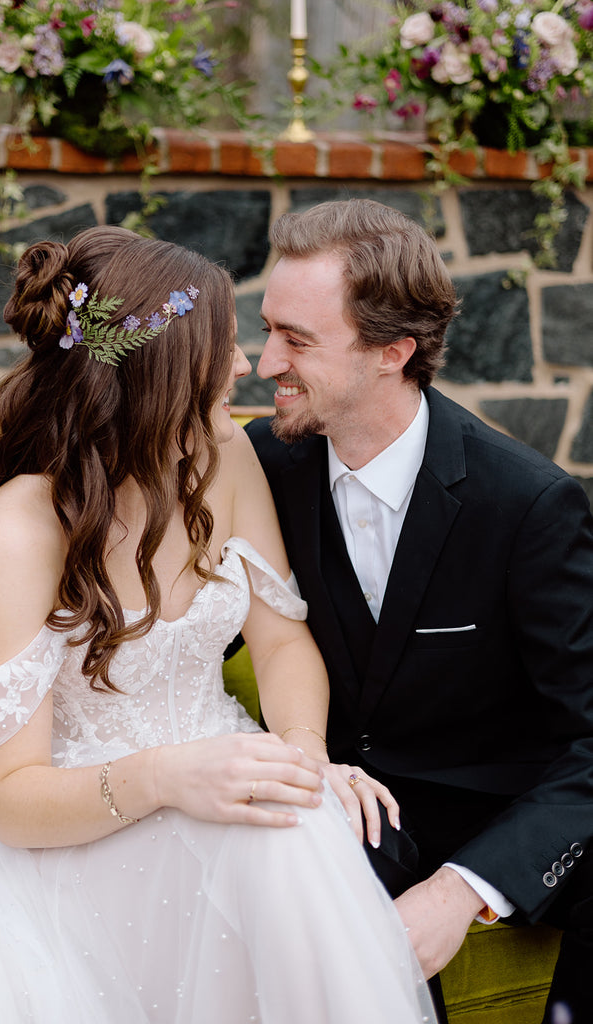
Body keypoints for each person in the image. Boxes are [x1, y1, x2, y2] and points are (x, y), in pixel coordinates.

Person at [0, 226, 436, 1024]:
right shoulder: (19, 531)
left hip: (226, 776)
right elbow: (12, 800)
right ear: (154, 374)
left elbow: (282, 637)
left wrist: (302, 755)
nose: (245, 367)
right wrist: (169, 778)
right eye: (221, 346)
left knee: (287, 824)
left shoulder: (223, 454)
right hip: (73, 830)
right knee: (275, 840)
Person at [247, 198, 593, 1024]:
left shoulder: (527, 502)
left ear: (391, 352)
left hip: (495, 807)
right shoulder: (260, 466)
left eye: (295, 340)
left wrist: (465, 889)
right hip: (340, 808)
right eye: (267, 330)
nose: (263, 364)